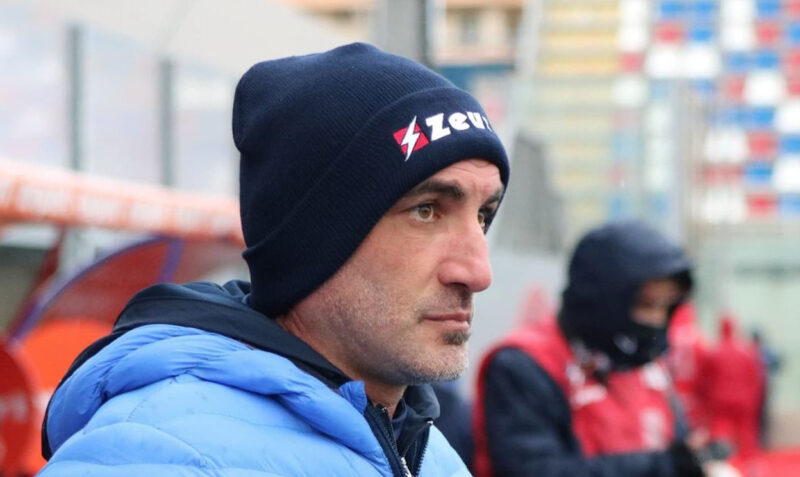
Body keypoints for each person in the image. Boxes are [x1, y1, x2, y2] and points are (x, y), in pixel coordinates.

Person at [38, 42, 509, 476]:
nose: (478, 272)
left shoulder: (428, 454)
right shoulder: (157, 455)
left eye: (483, 215)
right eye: (426, 211)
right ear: (315, 239)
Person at [473, 220, 706, 477]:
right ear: (605, 300)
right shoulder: (525, 364)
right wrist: (664, 467)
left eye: (667, 306)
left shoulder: (644, 363)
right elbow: (533, 470)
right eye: (646, 304)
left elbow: (677, 447)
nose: (657, 320)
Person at [699, 314, 764, 458]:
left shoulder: (714, 352)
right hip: (743, 400)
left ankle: (720, 461)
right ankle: (748, 462)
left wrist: (705, 400)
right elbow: (755, 379)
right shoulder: (746, 352)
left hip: (720, 399)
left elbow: (704, 379)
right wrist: (754, 399)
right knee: (746, 432)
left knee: (720, 430)